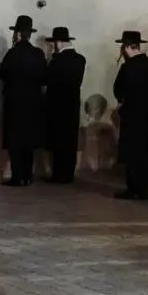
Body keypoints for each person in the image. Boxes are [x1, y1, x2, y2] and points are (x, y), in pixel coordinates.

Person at [0, 15, 47, 187]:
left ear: (18, 34)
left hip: (15, 104)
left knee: (15, 142)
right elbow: (44, 77)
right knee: (28, 143)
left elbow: (2, 74)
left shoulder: (12, 53)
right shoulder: (38, 54)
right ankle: (27, 176)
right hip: (34, 105)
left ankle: (17, 176)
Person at [113, 31, 148, 200]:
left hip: (131, 117)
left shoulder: (127, 67)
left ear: (126, 48)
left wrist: (123, 101)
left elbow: (118, 89)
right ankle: (144, 189)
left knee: (132, 155)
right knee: (145, 154)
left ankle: (133, 189)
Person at [43, 26, 86, 184]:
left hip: (56, 107)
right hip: (73, 106)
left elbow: (46, 79)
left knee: (58, 141)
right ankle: (69, 173)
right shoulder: (80, 59)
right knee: (70, 139)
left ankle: (58, 174)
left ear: (58, 42)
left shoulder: (57, 61)